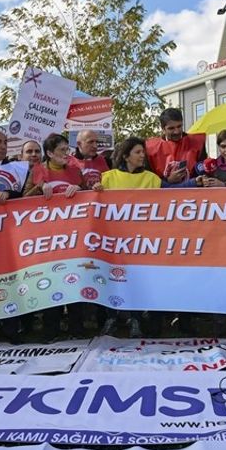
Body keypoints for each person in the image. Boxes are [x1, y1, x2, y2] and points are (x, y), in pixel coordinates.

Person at [25, 134, 89, 339]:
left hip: (73, 235)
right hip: (48, 237)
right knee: (51, 279)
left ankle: (77, 328)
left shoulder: (75, 171)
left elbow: (90, 195)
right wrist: (39, 188)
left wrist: (80, 189)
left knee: (74, 278)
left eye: (66, 149)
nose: (66, 154)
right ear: (50, 153)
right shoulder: (38, 171)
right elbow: (24, 200)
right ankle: (50, 328)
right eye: (61, 150)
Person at [98, 137, 161, 337]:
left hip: (141, 240)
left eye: (143, 152)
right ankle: (112, 317)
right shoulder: (107, 178)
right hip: (113, 240)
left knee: (135, 279)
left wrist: (195, 182)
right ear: (126, 156)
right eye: (138, 152)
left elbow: (170, 197)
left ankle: (135, 318)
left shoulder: (152, 179)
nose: (143, 156)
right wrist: (95, 192)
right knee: (112, 277)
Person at [146, 108, 206, 187]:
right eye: (171, 128)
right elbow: (148, 180)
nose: (177, 131)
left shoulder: (197, 143)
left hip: (192, 194)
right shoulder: (151, 148)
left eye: (179, 126)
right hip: (163, 195)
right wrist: (167, 180)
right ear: (163, 129)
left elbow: (203, 171)